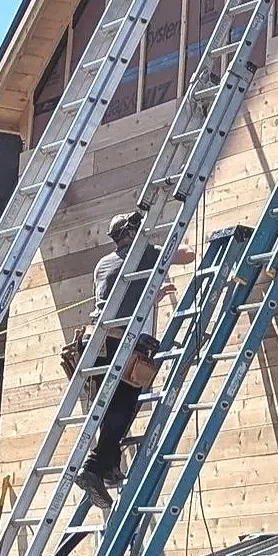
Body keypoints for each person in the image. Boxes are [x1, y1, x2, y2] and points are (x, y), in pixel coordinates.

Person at [78, 213, 181, 505]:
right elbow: (186, 254)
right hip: (120, 343)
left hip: (95, 342)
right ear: (131, 232)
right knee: (122, 407)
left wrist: (152, 294)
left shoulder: (103, 264)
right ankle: (95, 466)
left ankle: (109, 464)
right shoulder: (145, 254)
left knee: (109, 408)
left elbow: (119, 297)